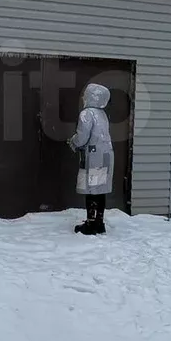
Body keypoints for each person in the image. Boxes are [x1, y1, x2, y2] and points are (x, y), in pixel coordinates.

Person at [68, 83, 114, 235]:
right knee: (100, 190)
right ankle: (99, 223)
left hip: (94, 157)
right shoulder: (102, 114)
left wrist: (72, 141)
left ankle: (90, 224)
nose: (83, 97)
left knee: (92, 190)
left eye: (85, 94)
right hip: (106, 155)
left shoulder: (87, 114)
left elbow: (82, 137)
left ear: (91, 96)